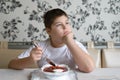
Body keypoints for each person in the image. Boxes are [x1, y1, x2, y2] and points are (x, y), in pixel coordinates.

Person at [8, 8, 95, 72]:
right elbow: (11, 64)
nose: (65, 27)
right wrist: (30, 60)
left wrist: (70, 42)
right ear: (49, 31)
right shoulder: (40, 46)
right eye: (59, 25)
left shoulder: (76, 45)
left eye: (67, 23)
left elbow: (89, 68)